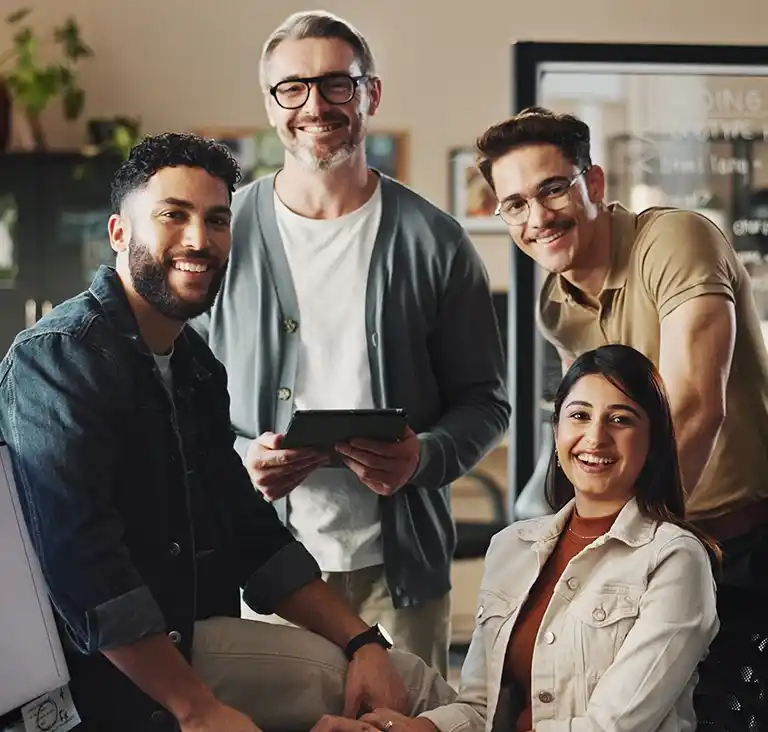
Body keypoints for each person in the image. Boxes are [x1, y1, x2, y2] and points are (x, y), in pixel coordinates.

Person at [0, 132, 457, 732]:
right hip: (95, 681)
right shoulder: (57, 359)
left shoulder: (193, 363)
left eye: (217, 220)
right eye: (174, 216)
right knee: (422, 692)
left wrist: (362, 642)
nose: (200, 240)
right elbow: (85, 569)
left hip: (188, 641)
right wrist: (198, 710)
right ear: (118, 233)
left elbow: (248, 532)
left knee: (397, 679)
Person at [192, 10, 510, 676]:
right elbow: (172, 396)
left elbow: (486, 403)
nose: (316, 105)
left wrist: (422, 457)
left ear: (372, 94)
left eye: (338, 84)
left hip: (402, 574)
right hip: (264, 565)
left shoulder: (437, 242)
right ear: (271, 103)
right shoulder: (223, 236)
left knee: (403, 720)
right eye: (293, 88)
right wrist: (240, 457)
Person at [471, 105, 768, 720]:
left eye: (553, 189)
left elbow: (694, 405)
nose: (537, 217)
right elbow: (600, 430)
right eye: (515, 204)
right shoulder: (557, 305)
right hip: (658, 545)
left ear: (595, 184)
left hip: (741, 543)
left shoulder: (674, 240)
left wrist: (628, 546)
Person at [311, 344, 720, 732]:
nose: (595, 438)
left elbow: (613, 727)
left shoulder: (674, 558)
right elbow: (479, 709)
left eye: (620, 419)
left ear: (653, 441)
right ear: (556, 430)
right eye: (579, 416)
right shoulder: (514, 546)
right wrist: (420, 727)